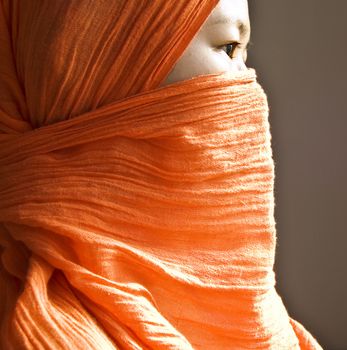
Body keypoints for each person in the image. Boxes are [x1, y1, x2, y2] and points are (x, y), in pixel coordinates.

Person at [0, 0, 324, 348]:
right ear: (102, 72)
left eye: (244, 53)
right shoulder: (41, 330)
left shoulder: (258, 313)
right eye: (228, 48)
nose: (250, 85)